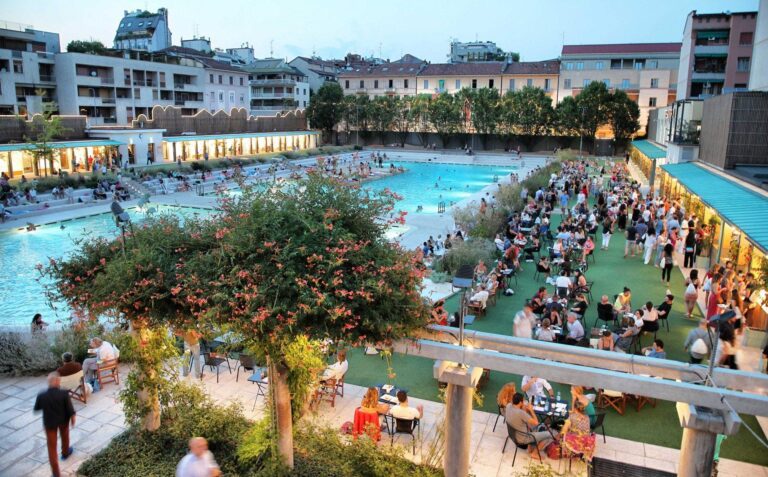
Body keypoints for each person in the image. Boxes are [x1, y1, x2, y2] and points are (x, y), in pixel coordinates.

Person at [34, 372, 76, 477]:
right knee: (65, 436)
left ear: (49, 383)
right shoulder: (64, 393)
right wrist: (72, 418)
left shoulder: (41, 395)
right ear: (57, 381)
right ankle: (65, 453)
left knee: (51, 448)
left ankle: (56, 473)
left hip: (49, 423)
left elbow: (37, 408)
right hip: (63, 421)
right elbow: (70, 409)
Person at [505, 393, 555, 459]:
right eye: (523, 400)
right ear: (520, 402)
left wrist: (523, 408)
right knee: (549, 435)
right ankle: (534, 453)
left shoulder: (508, 406)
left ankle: (530, 448)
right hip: (523, 438)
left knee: (532, 426)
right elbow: (536, 422)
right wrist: (531, 410)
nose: (524, 401)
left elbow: (521, 416)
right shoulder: (520, 413)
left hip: (513, 434)